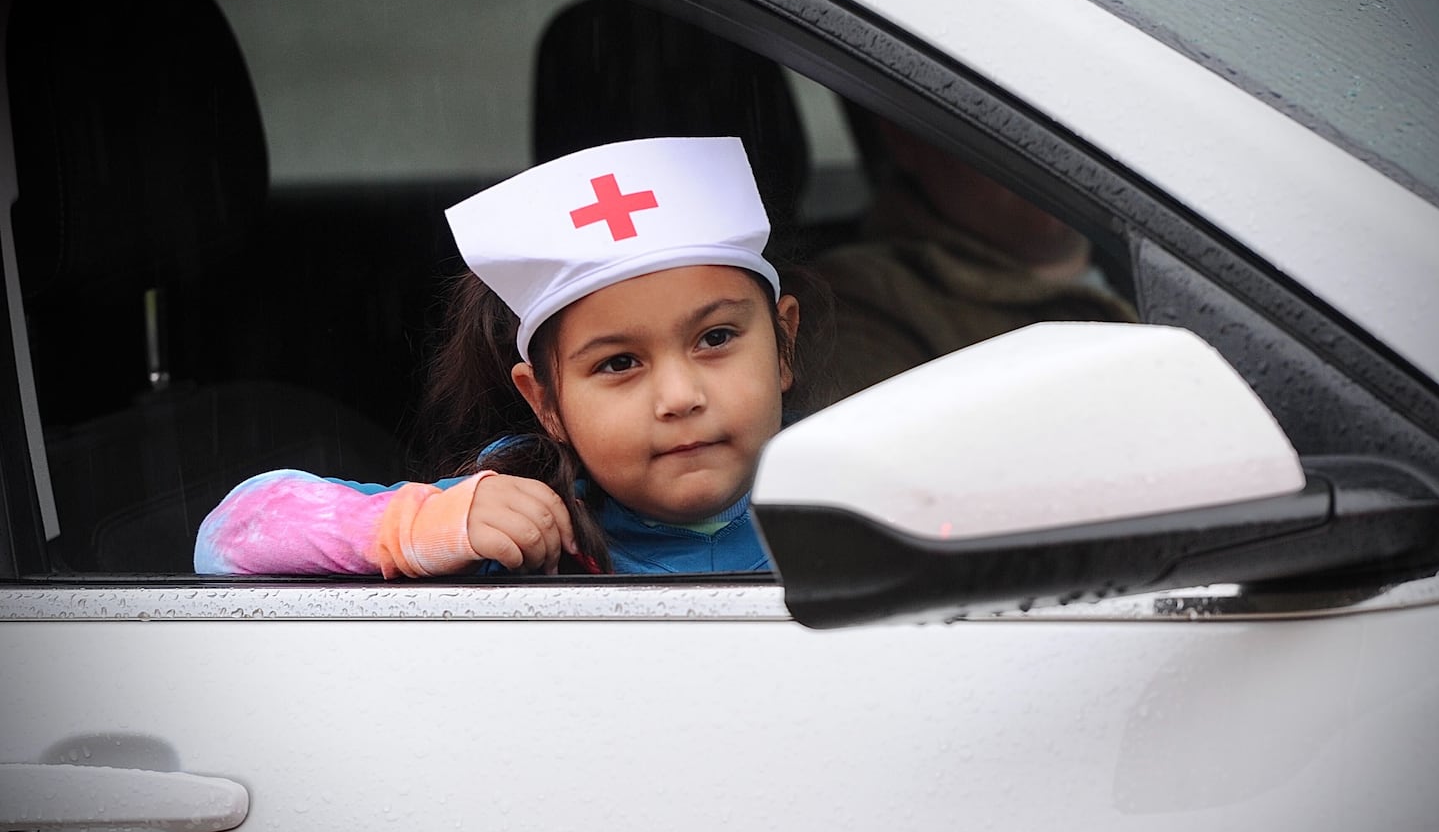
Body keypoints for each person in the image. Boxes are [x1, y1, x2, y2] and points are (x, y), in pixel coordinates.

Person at [194, 137, 801, 577]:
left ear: (782, 344)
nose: (679, 397)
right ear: (546, 403)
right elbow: (231, 536)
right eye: (619, 363)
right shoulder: (516, 532)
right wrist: (419, 526)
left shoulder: (855, 498)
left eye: (716, 338)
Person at [814, 114, 1137, 400]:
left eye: (1070, 115)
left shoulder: (1152, 246)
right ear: (904, 138)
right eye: (1008, 120)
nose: (1052, 146)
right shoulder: (858, 305)